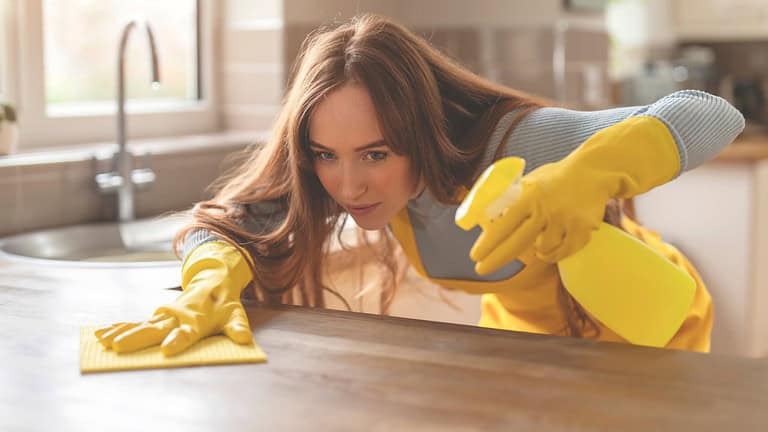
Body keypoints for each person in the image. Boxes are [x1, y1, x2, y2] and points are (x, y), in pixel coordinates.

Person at [94, 14, 744, 356]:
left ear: (421, 128)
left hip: (649, 330)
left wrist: (587, 175)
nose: (347, 184)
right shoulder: (341, 180)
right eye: (325, 154)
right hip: (525, 347)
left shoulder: (516, 145)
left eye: (375, 153)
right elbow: (238, 217)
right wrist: (209, 280)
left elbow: (713, 112)